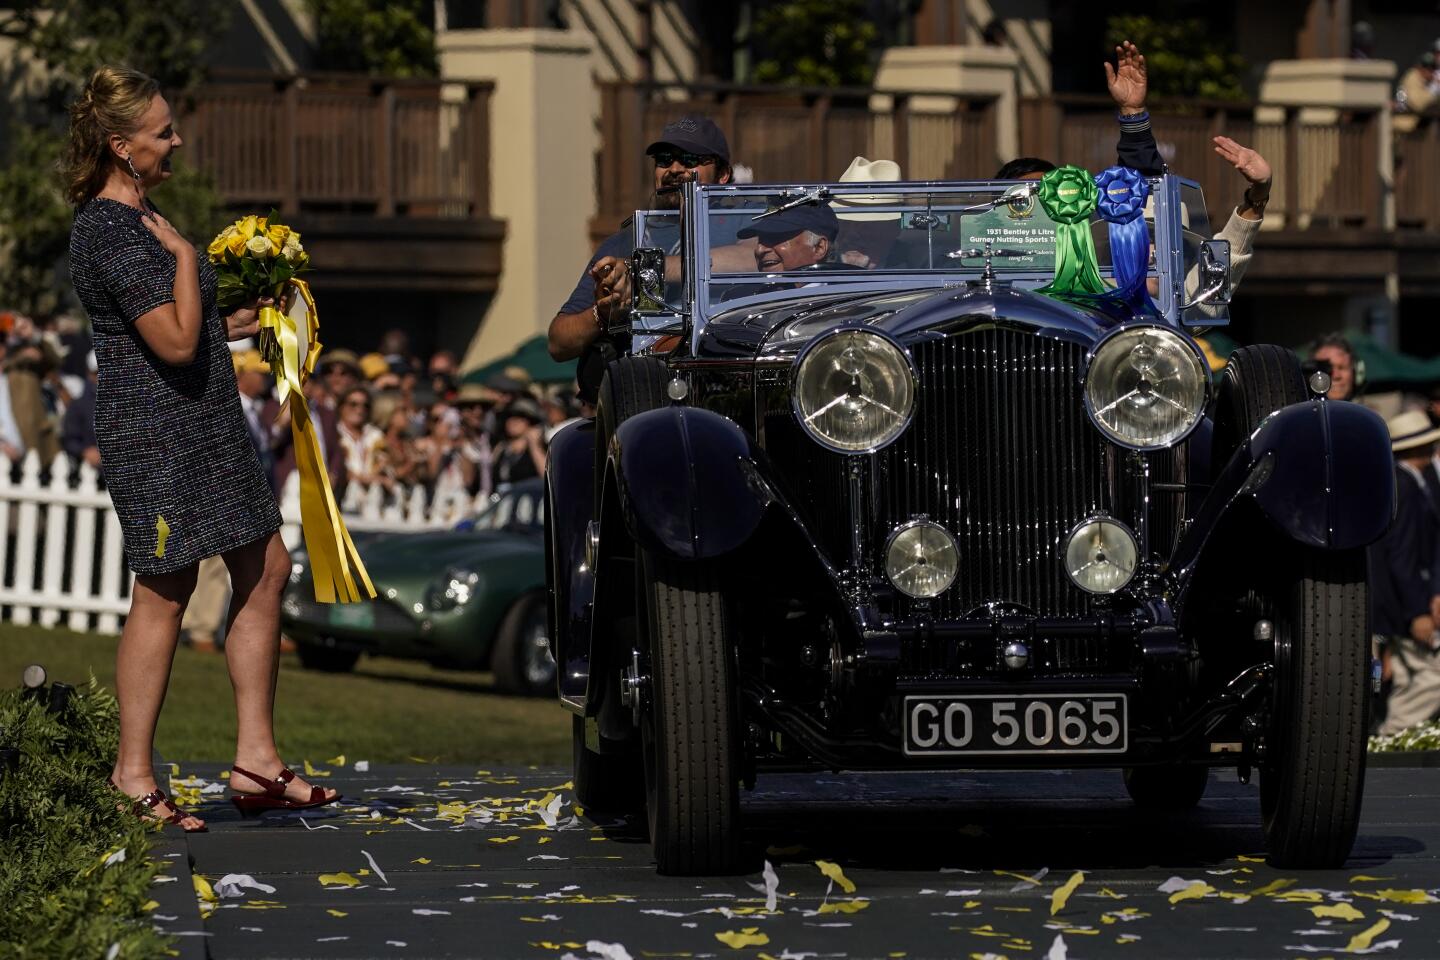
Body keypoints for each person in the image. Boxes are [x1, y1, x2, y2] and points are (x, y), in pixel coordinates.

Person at [64, 65, 336, 830]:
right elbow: (174, 342)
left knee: (266, 564)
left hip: (203, 424)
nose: (175, 140)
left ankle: (256, 761)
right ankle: (133, 775)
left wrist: (239, 320)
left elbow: (184, 332)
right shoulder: (109, 229)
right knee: (165, 589)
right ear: (120, 146)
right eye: (161, 133)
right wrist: (188, 260)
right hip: (156, 433)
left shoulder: (142, 214)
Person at [547, 115, 734, 402]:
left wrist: (643, 270)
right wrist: (605, 313)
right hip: (643, 400)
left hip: (727, 392)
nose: (674, 169)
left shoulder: (746, 229)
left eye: (689, 159)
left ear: (722, 175)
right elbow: (558, 342)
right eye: (664, 159)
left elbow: (752, 260)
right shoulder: (626, 239)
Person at [1373, 410, 1440, 736]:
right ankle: (1392, 739)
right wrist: (1418, 611)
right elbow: (1403, 557)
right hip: (1404, 604)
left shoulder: (1407, 483)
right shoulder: (1406, 486)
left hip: (1401, 601)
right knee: (1430, 677)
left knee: (1408, 675)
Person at [832, 156, 903, 269]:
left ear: (893, 228)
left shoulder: (919, 274)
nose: (852, 234)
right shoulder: (818, 275)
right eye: (845, 222)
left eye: (865, 225)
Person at [491, 397, 547, 489]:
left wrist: (534, 445)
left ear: (531, 422)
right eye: (510, 416)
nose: (513, 421)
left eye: (521, 417)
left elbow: (547, 477)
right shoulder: (501, 448)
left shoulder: (541, 447)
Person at [1310, 334, 1360, 401]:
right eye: (1327, 368)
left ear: (1355, 372)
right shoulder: (1298, 411)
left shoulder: (1370, 411)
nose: (1336, 376)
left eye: (1342, 367)